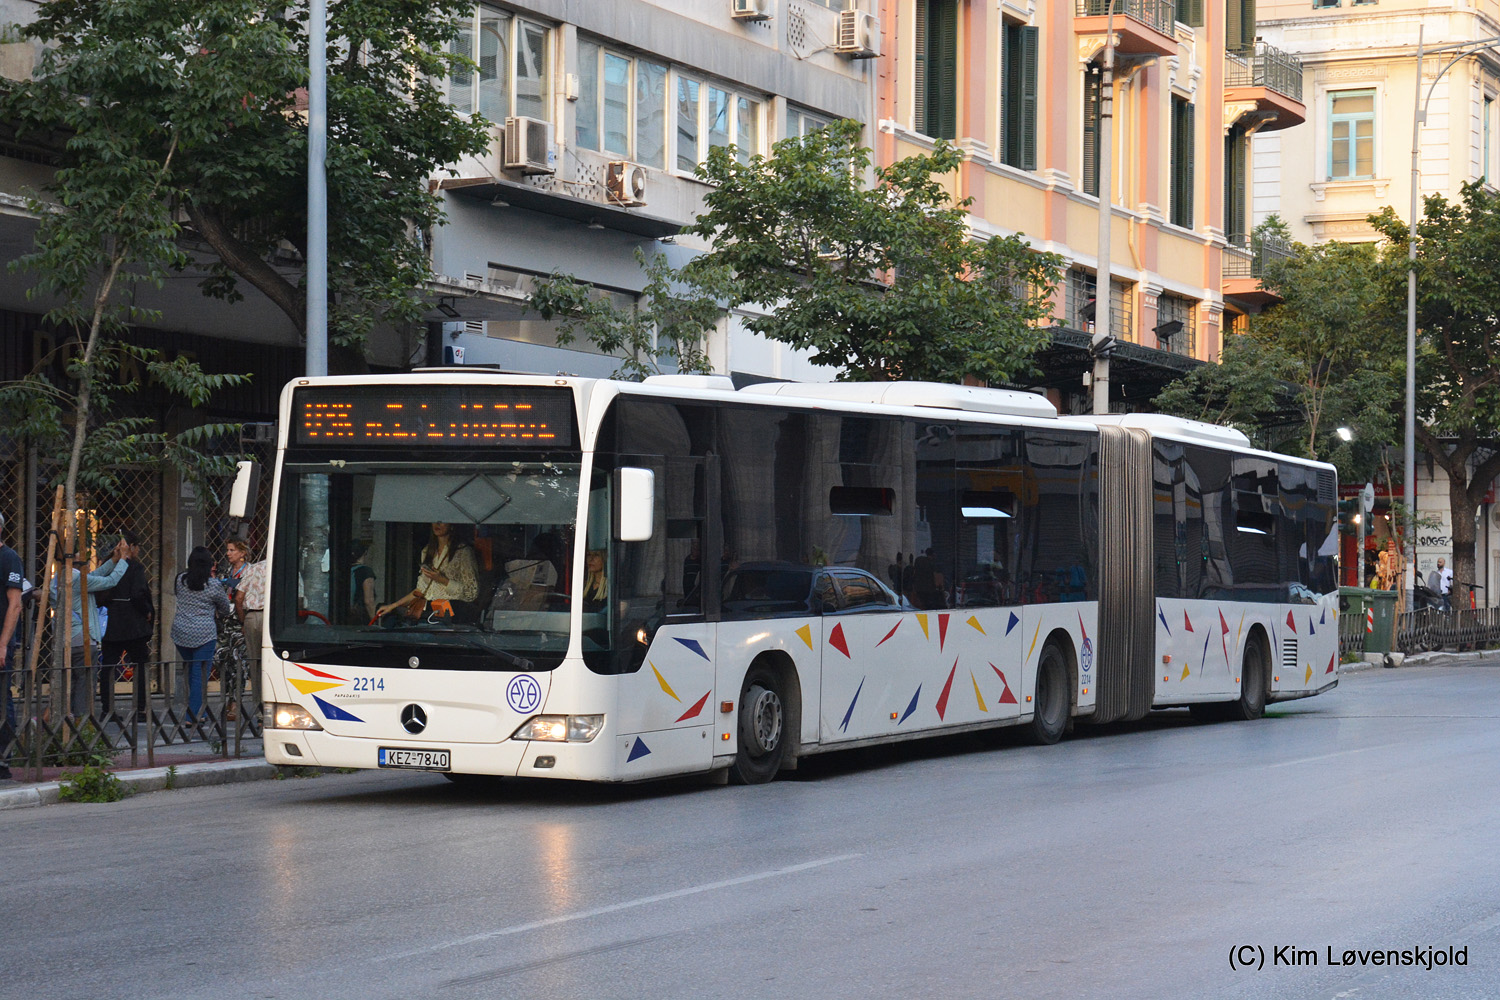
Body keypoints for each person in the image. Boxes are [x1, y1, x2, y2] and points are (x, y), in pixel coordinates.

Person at [52, 538, 131, 719]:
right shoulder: (75, 578)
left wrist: (114, 560)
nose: (85, 556)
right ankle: (81, 724)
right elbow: (110, 581)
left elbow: (95, 578)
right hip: (83, 638)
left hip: (65, 640)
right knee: (84, 685)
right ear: (72, 556)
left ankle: (66, 722)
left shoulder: (58, 578)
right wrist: (124, 560)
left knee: (69, 684)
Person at [171, 546, 232, 725]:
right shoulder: (213, 585)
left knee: (192, 671)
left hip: (181, 633)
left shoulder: (180, 580)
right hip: (204, 634)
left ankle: (200, 709)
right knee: (200, 675)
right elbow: (225, 609)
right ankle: (193, 715)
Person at [99, 530, 154, 722]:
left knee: (108, 666)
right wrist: (146, 611)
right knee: (140, 664)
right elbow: (139, 594)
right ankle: (140, 709)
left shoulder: (107, 567)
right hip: (133, 625)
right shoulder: (135, 568)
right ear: (131, 547)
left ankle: (107, 709)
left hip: (112, 624)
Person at [376, 522, 478, 620]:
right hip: (428, 611)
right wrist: (393, 606)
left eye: (442, 521)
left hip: (452, 612)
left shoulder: (463, 552)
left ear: (451, 525)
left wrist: (442, 580)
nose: (436, 524)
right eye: (434, 520)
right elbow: (420, 590)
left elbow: (471, 593)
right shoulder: (427, 551)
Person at [1, 513, 23, 782]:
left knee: (1, 699)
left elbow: (15, 604)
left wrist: (3, 644)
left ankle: (3, 759)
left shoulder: (9, 558)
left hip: (1, 642)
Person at [350, 541, 377, 623]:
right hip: (360, 618)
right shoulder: (365, 571)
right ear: (365, 553)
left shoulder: (342, 570)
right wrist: (374, 621)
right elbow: (369, 601)